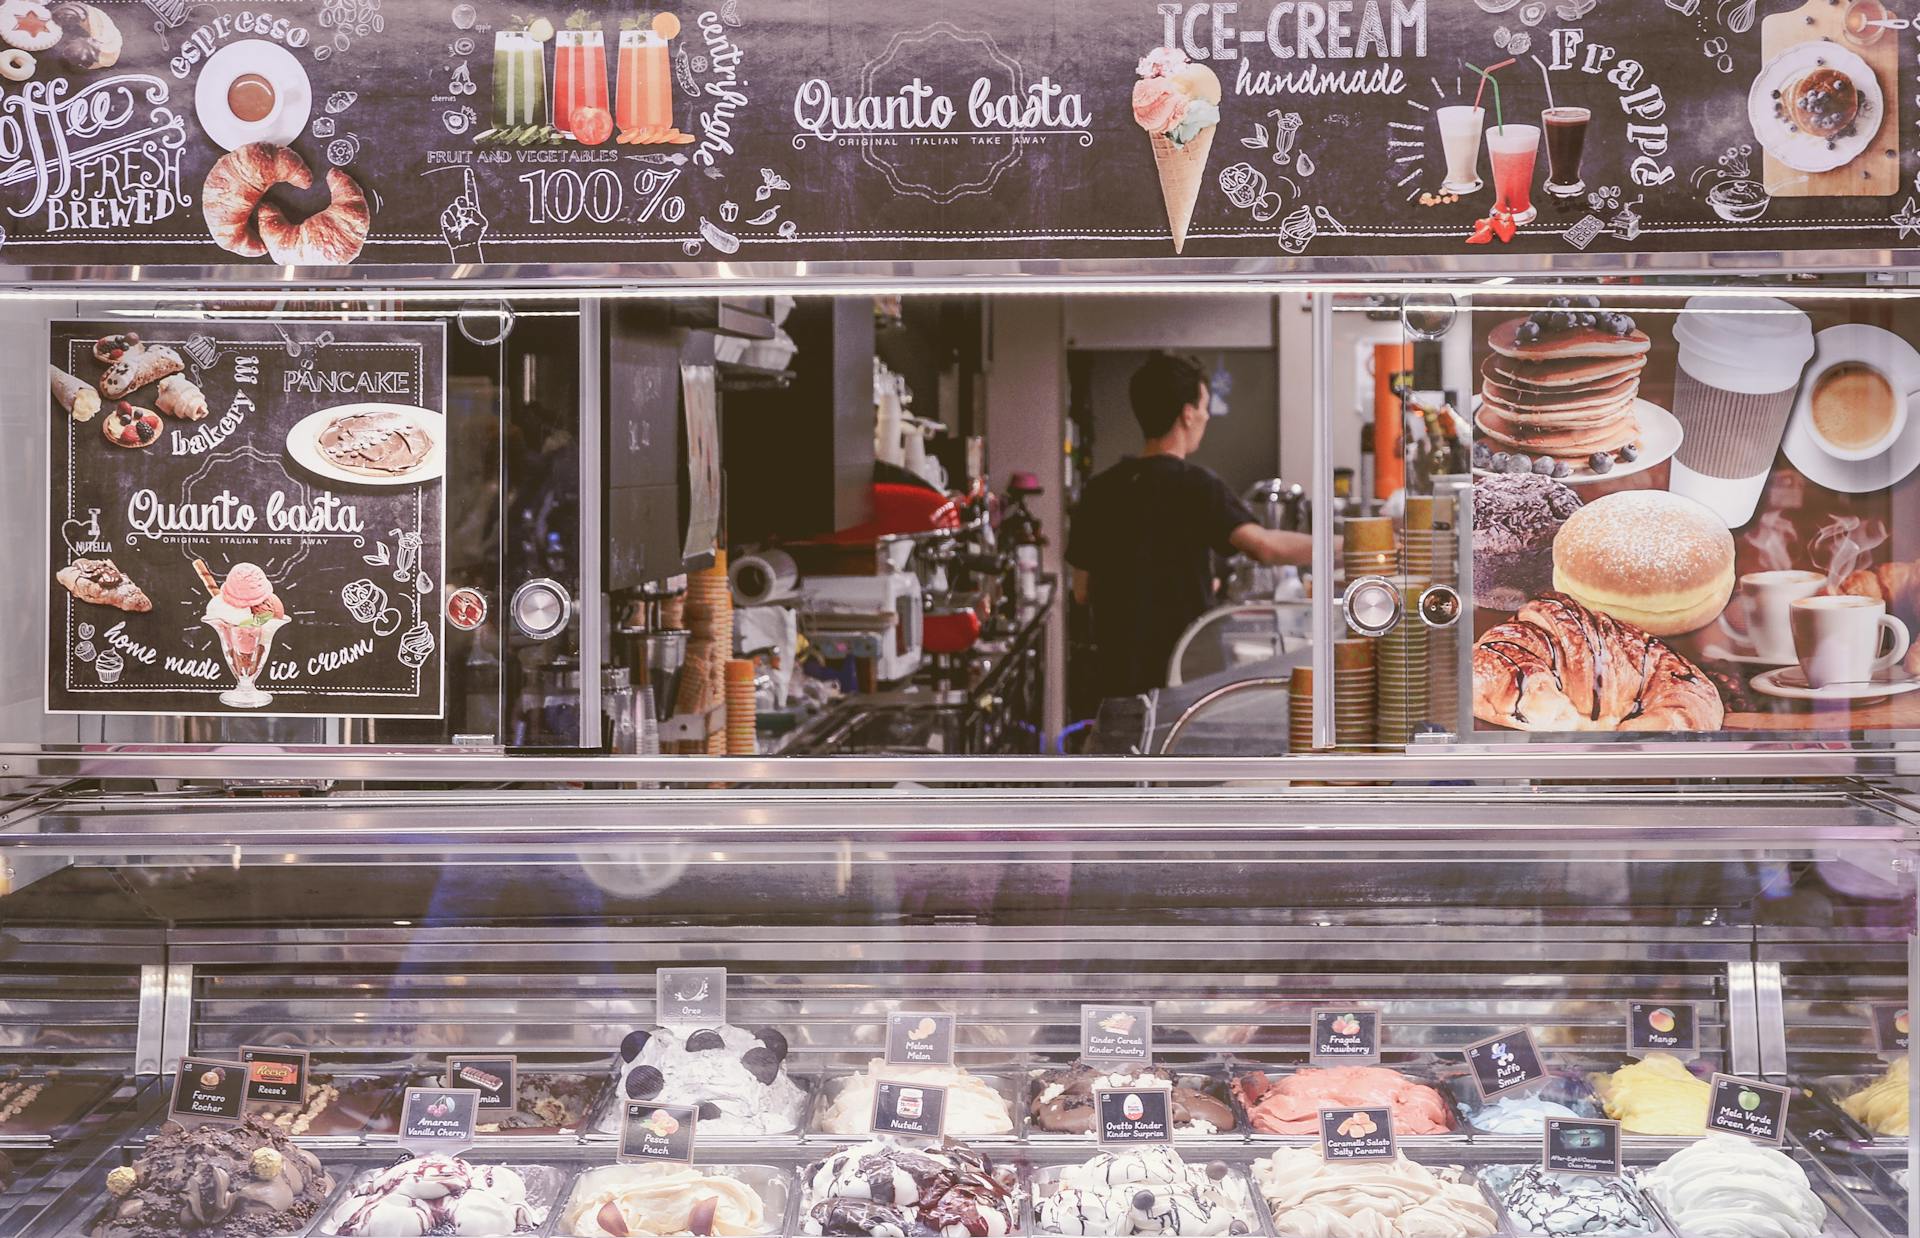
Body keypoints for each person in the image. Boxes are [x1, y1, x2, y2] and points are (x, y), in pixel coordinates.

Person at [1066, 353, 1312, 701]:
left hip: (1115, 679)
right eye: (1205, 406)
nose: (1207, 416)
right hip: (1182, 676)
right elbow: (1264, 546)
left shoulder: (1101, 489)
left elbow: (1082, 591)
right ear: (1187, 413)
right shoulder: (1196, 485)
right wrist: (1346, 544)